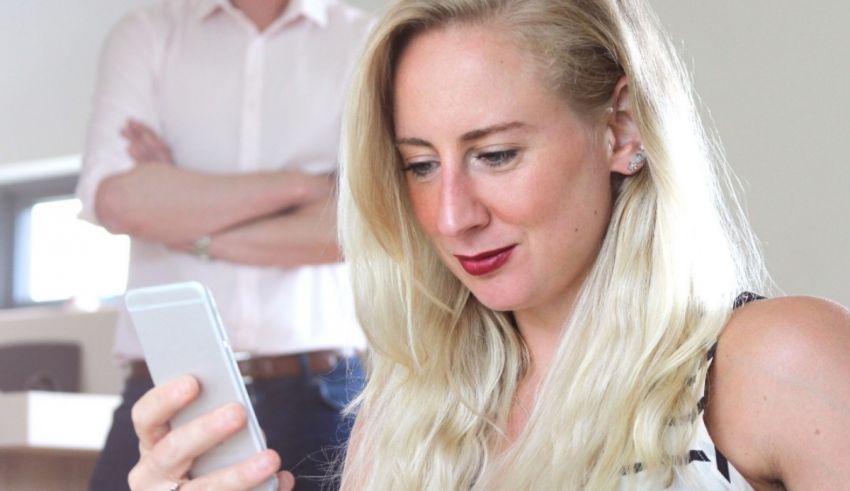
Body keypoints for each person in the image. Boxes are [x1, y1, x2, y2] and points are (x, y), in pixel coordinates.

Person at [126, 0, 850, 489]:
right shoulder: (408, 418)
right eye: (419, 164)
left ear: (621, 129)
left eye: (496, 154)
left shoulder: (774, 362)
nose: (449, 215)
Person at [75, 0, 372, 489]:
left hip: (326, 393)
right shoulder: (147, 35)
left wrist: (177, 211)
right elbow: (121, 203)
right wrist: (307, 187)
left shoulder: (366, 41)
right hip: (166, 393)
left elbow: (361, 225)